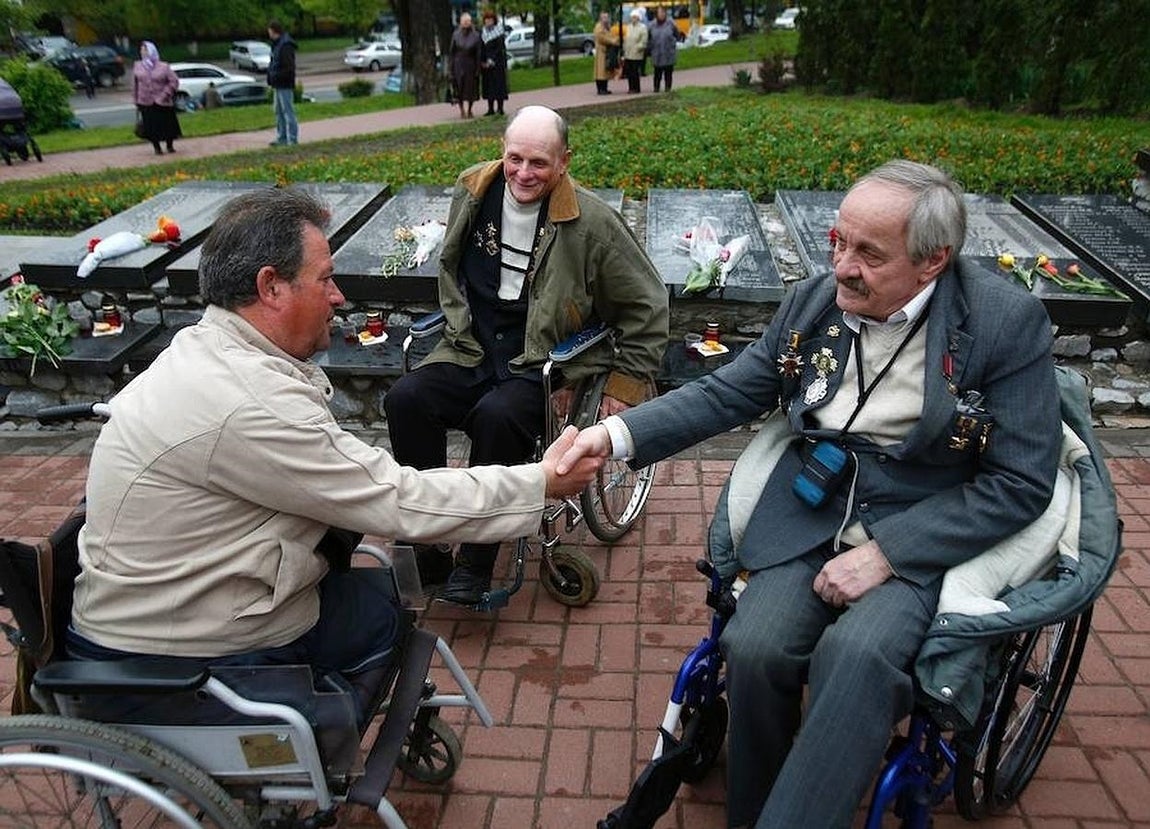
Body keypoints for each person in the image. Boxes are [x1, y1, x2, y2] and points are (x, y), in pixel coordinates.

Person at [558, 160, 1063, 828]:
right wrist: (614, 435)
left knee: (854, 660)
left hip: (924, 523)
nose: (842, 266)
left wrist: (886, 554)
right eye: (838, 242)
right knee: (756, 645)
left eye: (868, 254)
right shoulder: (817, 298)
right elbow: (733, 388)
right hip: (812, 500)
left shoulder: (1004, 323)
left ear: (933, 260)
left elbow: (1022, 481)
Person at [67, 188, 602, 711]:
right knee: (382, 614)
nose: (339, 295)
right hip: (178, 645)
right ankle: (326, 736)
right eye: (324, 278)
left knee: (374, 587)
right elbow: (398, 499)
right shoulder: (248, 402)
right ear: (271, 287)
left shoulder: (206, 348)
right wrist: (541, 482)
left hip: (171, 600)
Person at [383, 105, 669, 607]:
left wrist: (625, 383)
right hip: (472, 346)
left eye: (538, 162)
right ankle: (426, 541)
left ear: (564, 162)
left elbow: (647, 304)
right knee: (406, 399)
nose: (523, 173)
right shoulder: (472, 191)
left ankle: (475, 562)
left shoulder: (593, 223)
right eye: (515, 158)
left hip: (542, 363)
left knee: (499, 417)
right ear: (502, 151)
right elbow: (454, 267)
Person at [132, 41, 180, 156]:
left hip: (162, 102)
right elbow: (135, 84)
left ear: (151, 51)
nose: (142, 52)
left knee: (167, 125)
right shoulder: (138, 65)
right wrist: (135, 99)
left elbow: (174, 81)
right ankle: (157, 148)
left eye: (145, 50)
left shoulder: (163, 66)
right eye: (141, 50)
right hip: (145, 101)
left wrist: (164, 95)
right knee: (151, 126)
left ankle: (169, 145)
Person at [267, 20, 298, 146]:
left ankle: (292, 139)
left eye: (269, 31)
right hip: (278, 83)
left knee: (287, 111)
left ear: (274, 31)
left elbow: (288, 67)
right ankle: (282, 138)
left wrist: (275, 76)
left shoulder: (285, 46)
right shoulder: (278, 44)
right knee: (278, 111)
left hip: (284, 83)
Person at [450, 12, 481, 119]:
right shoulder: (456, 34)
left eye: (468, 21)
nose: (466, 23)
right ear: (460, 22)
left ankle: (470, 109)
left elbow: (478, 53)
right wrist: (451, 66)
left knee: (470, 88)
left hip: (470, 64)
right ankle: (461, 109)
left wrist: (478, 68)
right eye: (464, 21)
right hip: (458, 64)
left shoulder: (476, 35)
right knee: (459, 87)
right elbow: (452, 52)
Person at [647, 6, 684, 92]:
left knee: (668, 73)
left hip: (668, 53)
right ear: (657, 14)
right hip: (657, 53)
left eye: (663, 13)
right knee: (657, 73)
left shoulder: (671, 23)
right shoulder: (652, 25)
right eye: (660, 13)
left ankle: (668, 88)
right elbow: (648, 38)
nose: (662, 15)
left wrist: (676, 41)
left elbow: (677, 35)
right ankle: (656, 88)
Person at [479, 9, 509, 116]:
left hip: (497, 64)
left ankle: (500, 108)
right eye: (486, 20)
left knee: (499, 86)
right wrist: (482, 61)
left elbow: (500, 49)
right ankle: (490, 109)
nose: (488, 22)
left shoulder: (499, 32)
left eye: (490, 19)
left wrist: (491, 60)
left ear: (494, 20)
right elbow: (481, 49)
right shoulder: (482, 33)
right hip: (486, 66)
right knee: (488, 87)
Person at [621, 9, 648, 94]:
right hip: (628, 53)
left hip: (637, 54)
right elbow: (626, 39)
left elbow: (644, 41)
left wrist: (638, 48)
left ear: (638, 18)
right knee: (629, 72)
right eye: (632, 17)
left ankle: (636, 88)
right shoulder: (628, 27)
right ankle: (630, 87)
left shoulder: (642, 27)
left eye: (635, 17)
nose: (633, 19)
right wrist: (624, 49)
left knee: (635, 71)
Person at [593, 11, 619, 95]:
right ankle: (601, 89)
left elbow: (610, 35)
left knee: (605, 71)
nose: (606, 19)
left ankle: (604, 88)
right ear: (600, 18)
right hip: (601, 52)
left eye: (607, 17)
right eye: (604, 17)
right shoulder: (599, 27)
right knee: (600, 72)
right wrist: (612, 41)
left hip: (607, 52)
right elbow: (602, 38)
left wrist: (615, 39)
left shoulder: (607, 27)